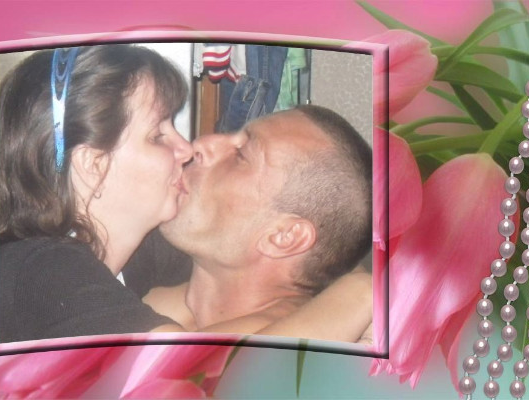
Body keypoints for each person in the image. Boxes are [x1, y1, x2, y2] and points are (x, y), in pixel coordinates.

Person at [0, 44, 372, 343]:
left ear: (285, 236)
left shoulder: (140, 255)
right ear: (92, 163)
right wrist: (365, 293)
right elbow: (177, 376)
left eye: (240, 156)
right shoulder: (42, 271)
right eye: (157, 135)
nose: (195, 146)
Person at [140, 105, 374, 341]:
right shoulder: (143, 297)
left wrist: (362, 291)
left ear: (284, 236)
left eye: (240, 155)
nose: (201, 143)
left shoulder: (308, 358)